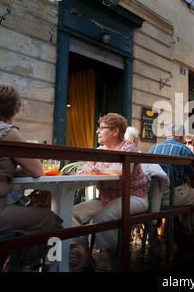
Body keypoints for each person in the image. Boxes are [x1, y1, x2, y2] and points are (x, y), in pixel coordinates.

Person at [0, 84, 63, 269]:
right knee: (49, 219)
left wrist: (10, 169)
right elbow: (37, 171)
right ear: (13, 108)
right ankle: (23, 265)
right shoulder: (8, 132)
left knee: (18, 214)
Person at [71, 113, 149, 271]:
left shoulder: (128, 147)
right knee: (71, 213)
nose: (97, 131)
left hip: (133, 197)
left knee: (104, 216)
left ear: (115, 131)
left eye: (102, 128)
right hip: (105, 199)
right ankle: (86, 256)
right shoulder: (99, 150)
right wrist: (87, 170)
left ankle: (113, 264)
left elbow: (122, 169)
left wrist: (96, 169)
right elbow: (83, 169)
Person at [149, 124, 194, 251]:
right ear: (181, 136)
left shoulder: (153, 149)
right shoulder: (184, 150)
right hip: (176, 194)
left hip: (155, 197)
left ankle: (176, 225)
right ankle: (187, 233)